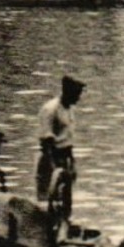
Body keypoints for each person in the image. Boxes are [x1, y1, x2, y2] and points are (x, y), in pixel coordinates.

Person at [35, 74, 84, 205]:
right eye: (76, 94)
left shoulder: (69, 109)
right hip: (51, 158)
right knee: (47, 202)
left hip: (64, 159)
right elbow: (46, 141)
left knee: (66, 202)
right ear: (67, 91)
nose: (79, 98)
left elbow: (68, 138)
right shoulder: (51, 109)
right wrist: (53, 168)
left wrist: (72, 164)